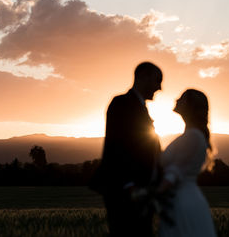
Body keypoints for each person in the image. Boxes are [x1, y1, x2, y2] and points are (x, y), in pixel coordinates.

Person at [90, 62, 162, 237]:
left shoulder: (140, 107)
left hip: (141, 193)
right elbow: (117, 146)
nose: (159, 88)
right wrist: (129, 186)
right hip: (125, 192)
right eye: (157, 80)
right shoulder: (121, 103)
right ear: (143, 76)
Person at [157, 89, 217, 237]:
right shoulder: (191, 135)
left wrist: (153, 193)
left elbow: (174, 173)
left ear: (190, 107)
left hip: (182, 202)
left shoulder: (193, 136)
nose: (176, 99)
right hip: (181, 199)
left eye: (182, 98)